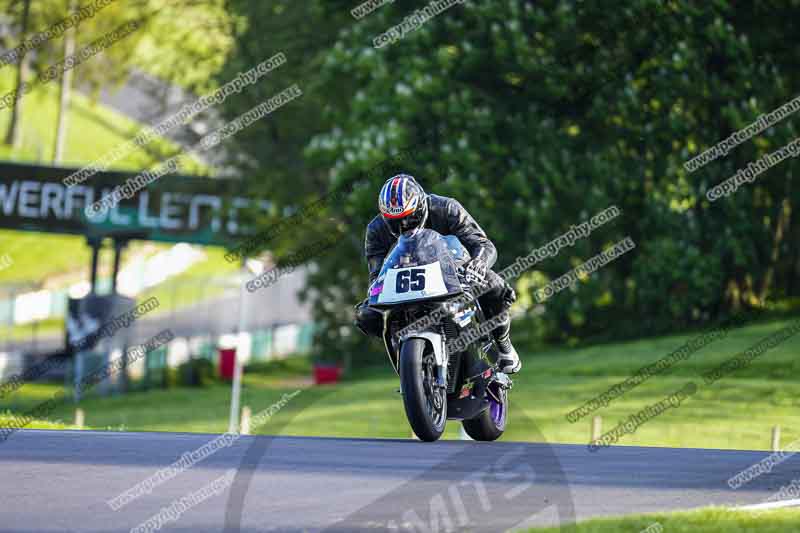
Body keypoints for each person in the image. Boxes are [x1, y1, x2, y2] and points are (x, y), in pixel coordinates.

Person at [353, 173, 521, 373]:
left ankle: (504, 345)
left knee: (495, 287)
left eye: (409, 217)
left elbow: (482, 244)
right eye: (395, 221)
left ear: (421, 206)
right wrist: (376, 289)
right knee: (366, 315)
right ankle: (408, 358)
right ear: (384, 216)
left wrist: (479, 264)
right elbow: (376, 272)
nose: (404, 225)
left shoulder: (447, 208)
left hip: (453, 271)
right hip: (405, 281)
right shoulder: (376, 229)